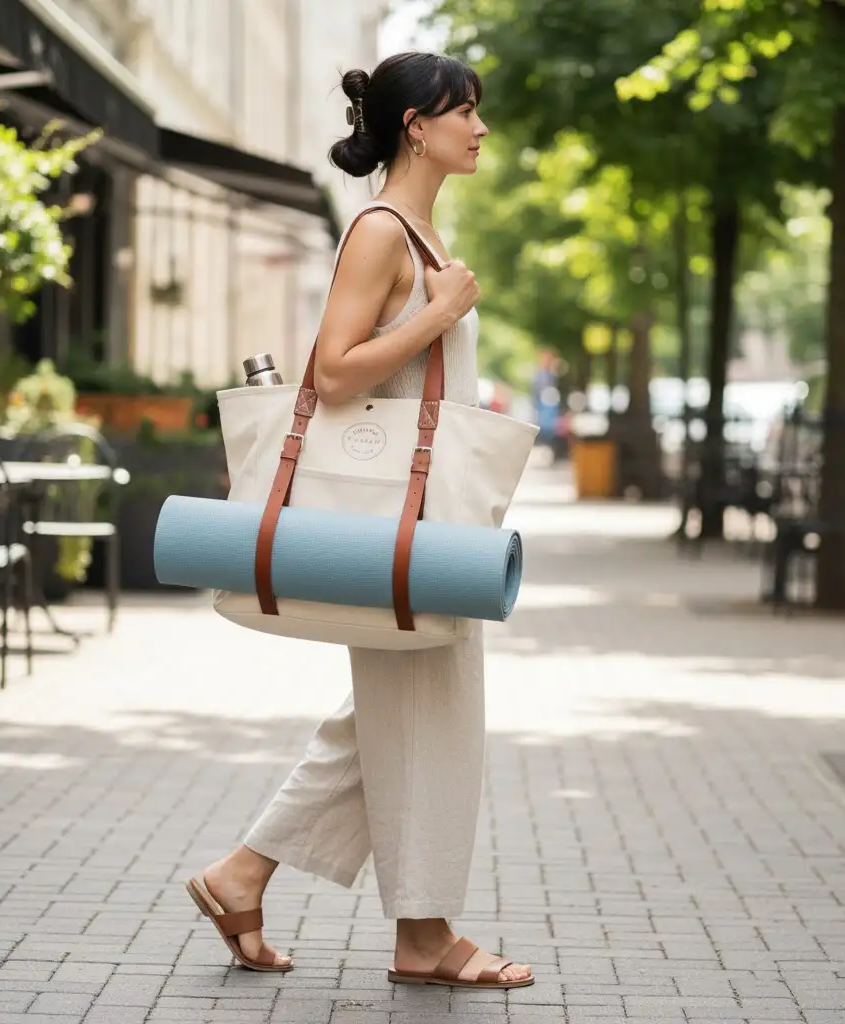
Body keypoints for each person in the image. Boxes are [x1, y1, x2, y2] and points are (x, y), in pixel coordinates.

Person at [185, 51, 534, 991]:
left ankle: (243, 876)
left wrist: (440, 303)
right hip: (397, 524)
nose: (481, 128)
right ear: (416, 126)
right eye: (466, 111)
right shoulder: (381, 231)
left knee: (394, 718)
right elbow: (334, 373)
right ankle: (422, 937)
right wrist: (441, 313)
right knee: (430, 715)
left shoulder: (419, 234)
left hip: (421, 525)